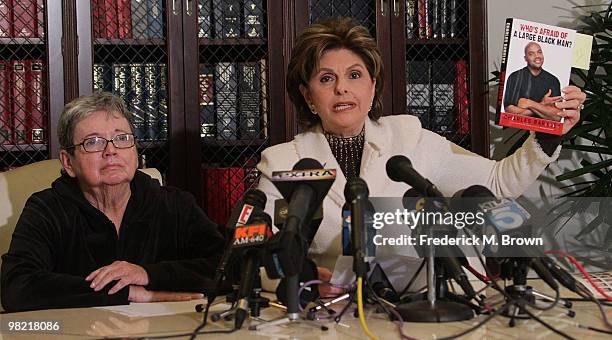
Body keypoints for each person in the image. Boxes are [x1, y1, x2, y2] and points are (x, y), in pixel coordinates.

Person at [256, 18, 585, 294]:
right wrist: (302, 279)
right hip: (336, 316)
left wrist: (545, 134)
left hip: (424, 307)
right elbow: (258, 258)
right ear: (308, 96)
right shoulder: (282, 162)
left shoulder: (410, 138)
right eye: (326, 78)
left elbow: (496, 185)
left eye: (355, 75)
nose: (342, 88)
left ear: (372, 86)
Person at [1, 92, 224, 312]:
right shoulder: (47, 209)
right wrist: (127, 293)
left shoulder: (173, 204)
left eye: (121, 138)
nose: (111, 151)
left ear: (135, 150)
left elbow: (230, 264)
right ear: (68, 162)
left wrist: (147, 274)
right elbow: (17, 288)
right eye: (94, 142)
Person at [503, 42, 563, 121]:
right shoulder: (515, 77)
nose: (537, 56)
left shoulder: (553, 80)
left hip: (544, 131)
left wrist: (529, 103)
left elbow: (557, 116)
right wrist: (543, 105)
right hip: (518, 130)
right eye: (531, 54)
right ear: (525, 58)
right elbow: (509, 112)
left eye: (539, 52)